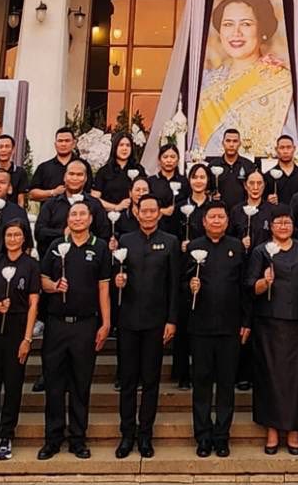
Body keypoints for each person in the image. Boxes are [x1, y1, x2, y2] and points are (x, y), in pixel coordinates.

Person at [38, 199, 110, 460]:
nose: (77, 218)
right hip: (56, 324)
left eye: (82, 214)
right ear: (67, 220)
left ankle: (78, 439)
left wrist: (106, 323)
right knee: (54, 384)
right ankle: (53, 439)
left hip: (86, 324)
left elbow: (104, 288)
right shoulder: (57, 247)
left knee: (81, 384)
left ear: (90, 219)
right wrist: (54, 285)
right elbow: (43, 279)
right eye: (73, 214)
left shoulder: (99, 247)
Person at [113, 195, 179, 459]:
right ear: (136, 212)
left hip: (156, 322)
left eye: (153, 210)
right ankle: (127, 434)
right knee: (128, 381)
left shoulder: (171, 242)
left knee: (151, 381)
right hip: (128, 321)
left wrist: (172, 320)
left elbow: (174, 285)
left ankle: (145, 435)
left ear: (159, 214)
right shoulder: (125, 241)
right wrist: (119, 280)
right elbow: (114, 273)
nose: (149, 214)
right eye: (144, 210)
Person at [195, 0, 292, 154]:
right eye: (227, 24)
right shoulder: (206, 81)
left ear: (262, 29)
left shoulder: (281, 81)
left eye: (246, 24)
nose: (236, 33)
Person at [185, 200, 249, 458]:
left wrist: (246, 322)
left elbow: (245, 288)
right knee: (201, 384)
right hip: (200, 327)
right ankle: (202, 436)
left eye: (221, 217)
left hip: (229, 328)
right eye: (211, 217)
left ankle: (222, 436)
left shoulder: (236, 247)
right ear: (203, 221)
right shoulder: (193, 247)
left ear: (226, 220)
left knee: (225, 385)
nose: (216, 221)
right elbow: (180, 283)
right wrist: (189, 286)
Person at [247, 210, 298, 454]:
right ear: (270, 226)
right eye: (278, 222)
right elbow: (250, 287)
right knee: (269, 377)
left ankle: (293, 431)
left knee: (295, 379)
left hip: (296, 322)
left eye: (287, 222)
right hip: (268, 323)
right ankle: (272, 430)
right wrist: (265, 283)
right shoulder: (260, 251)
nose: (283, 226)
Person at [0, 221, 39, 460]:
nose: (13, 238)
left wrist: (27, 338)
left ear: (24, 238)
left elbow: (34, 303)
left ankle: (6, 434)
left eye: (17, 235)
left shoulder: (31, 265)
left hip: (18, 327)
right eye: (9, 235)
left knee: (13, 384)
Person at [35, 159, 107, 252]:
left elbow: (104, 235)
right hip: (55, 259)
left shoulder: (95, 204)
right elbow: (39, 233)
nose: (75, 178)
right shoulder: (51, 204)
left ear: (85, 178)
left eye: (79, 175)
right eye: (71, 174)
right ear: (64, 177)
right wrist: (62, 233)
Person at [28, 126, 89, 202]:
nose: (63, 144)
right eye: (60, 141)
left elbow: (89, 192)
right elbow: (31, 194)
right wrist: (53, 192)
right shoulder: (44, 167)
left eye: (67, 141)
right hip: (51, 211)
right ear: (55, 144)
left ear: (74, 143)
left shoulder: (83, 165)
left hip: (78, 211)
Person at [93, 131, 143, 212]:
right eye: (121, 145)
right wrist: (116, 207)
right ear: (115, 147)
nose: (124, 148)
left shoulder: (139, 169)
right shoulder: (104, 171)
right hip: (110, 216)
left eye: (128, 145)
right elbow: (95, 199)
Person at [230, 168, 279, 250]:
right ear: (245, 185)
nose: (255, 187)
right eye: (251, 183)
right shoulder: (236, 210)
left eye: (259, 183)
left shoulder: (272, 210)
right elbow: (230, 237)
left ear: (264, 185)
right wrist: (240, 243)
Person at [206, 127, 253, 211]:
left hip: (243, 213)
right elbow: (206, 190)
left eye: (235, 141)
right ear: (223, 143)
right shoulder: (213, 165)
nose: (231, 144)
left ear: (240, 144)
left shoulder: (248, 165)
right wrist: (211, 196)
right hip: (219, 213)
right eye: (228, 141)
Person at [267, 134, 298, 206]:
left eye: (288, 147)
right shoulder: (268, 176)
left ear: (294, 149)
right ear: (276, 149)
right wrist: (268, 200)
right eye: (282, 148)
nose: (285, 151)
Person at [146, 142, 186, 220]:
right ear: (159, 160)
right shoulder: (151, 181)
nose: (169, 160)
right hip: (156, 222)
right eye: (165, 157)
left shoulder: (184, 181)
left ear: (178, 160)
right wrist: (160, 210)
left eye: (172, 157)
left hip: (179, 223)